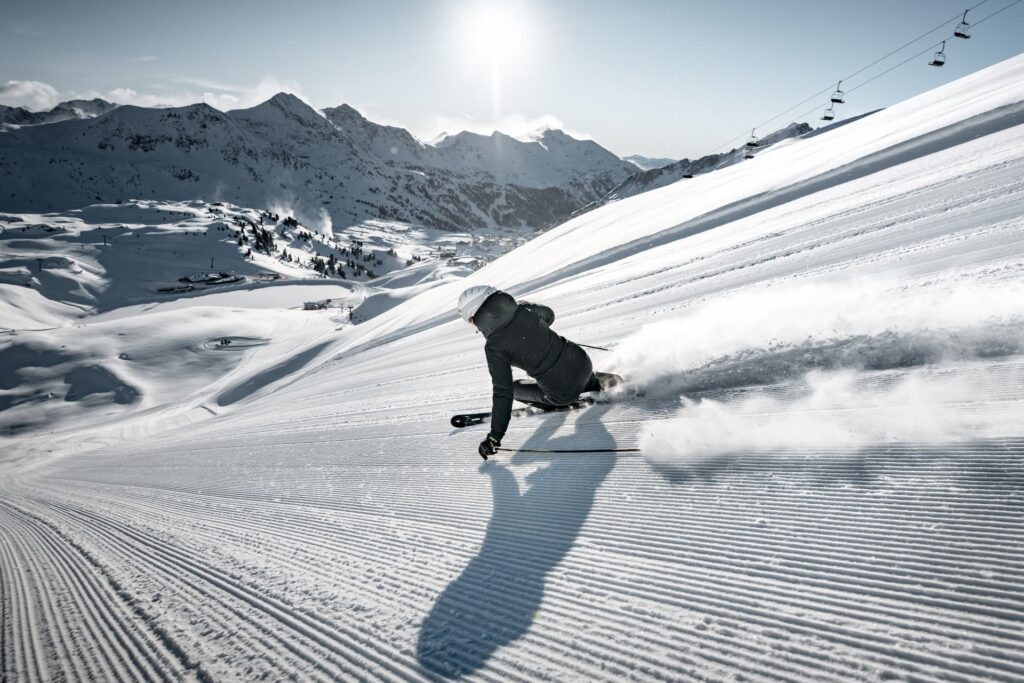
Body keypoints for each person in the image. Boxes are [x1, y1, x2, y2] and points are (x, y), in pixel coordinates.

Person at [458, 285, 621, 459]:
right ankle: (608, 382)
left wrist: (494, 437)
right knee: (578, 375)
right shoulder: (523, 309)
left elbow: (503, 392)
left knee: (515, 388)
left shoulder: (494, 346)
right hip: (582, 362)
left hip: (561, 390)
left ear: (476, 314)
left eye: (471, 321)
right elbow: (549, 315)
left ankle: (561, 402)